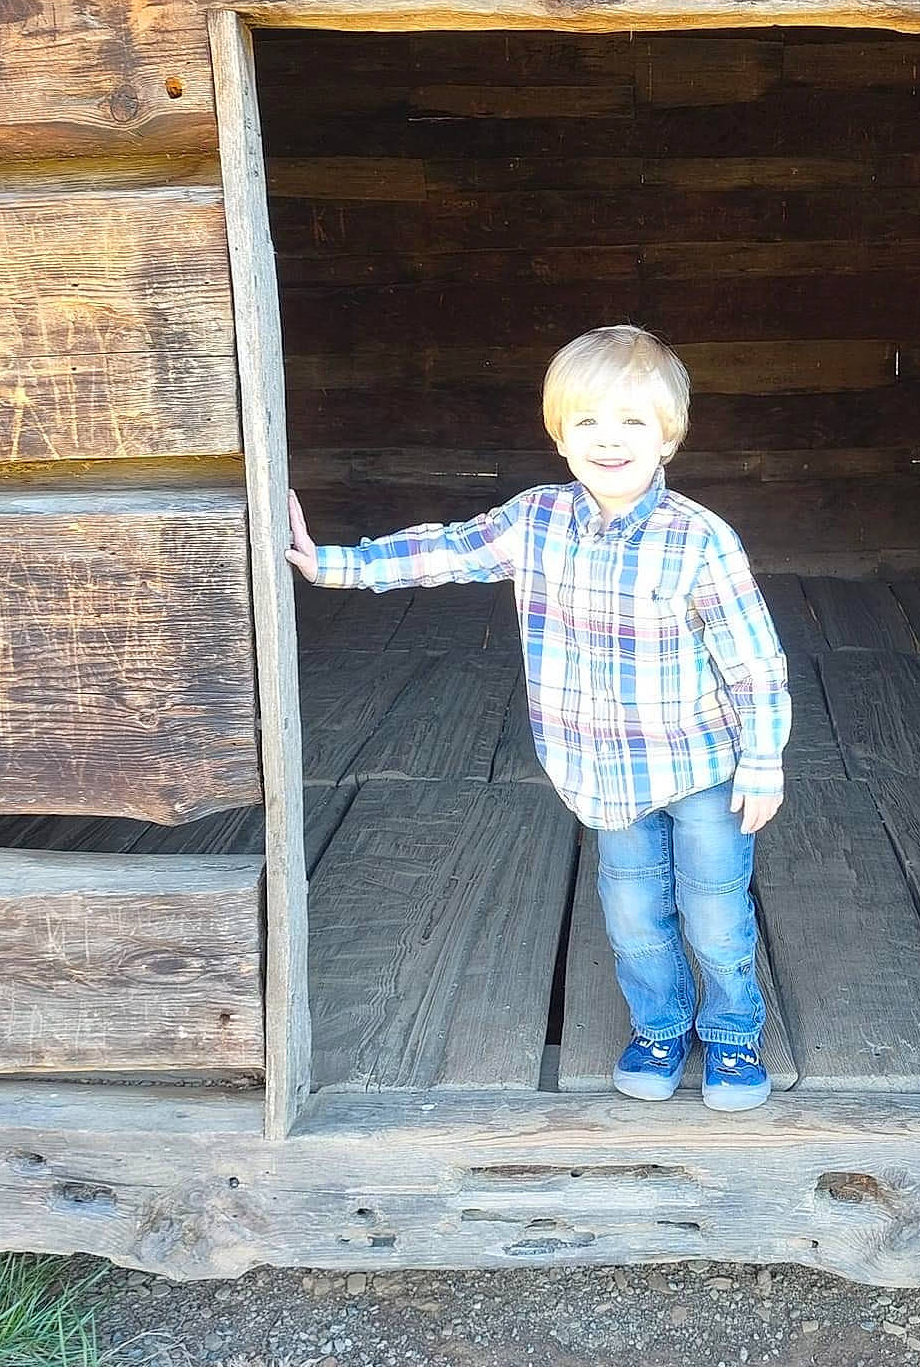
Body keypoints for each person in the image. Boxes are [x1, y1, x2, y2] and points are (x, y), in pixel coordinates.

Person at [286, 324, 790, 1111]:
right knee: (632, 916)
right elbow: (449, 551)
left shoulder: (699, 540)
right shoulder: (536, 520)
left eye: (631, 423)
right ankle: (661, 1027)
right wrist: (337, 564)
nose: (609, 440)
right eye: (586, 422)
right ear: (560, 438)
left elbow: (755, 662)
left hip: (701, 767)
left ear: (669, 437)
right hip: (604, 772)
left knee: (717, 914)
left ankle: (732, 1036)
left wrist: (763, 759)